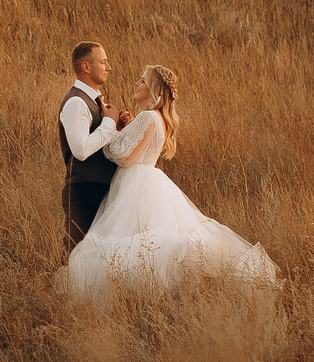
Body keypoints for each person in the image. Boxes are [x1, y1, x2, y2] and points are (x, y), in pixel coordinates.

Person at [59, 64, 279, 294]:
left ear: (154, 88)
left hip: (136, 184)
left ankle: (136, 293)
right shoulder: (157, 118)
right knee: (143, 242)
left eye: (142, 81)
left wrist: (111, 127)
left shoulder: (147, 117)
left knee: (135, 242)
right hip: (148, 181)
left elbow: (125, 157)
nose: (136, 84)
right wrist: (125, 128)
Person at [57, 40, 125, 250]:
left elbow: (98, 143)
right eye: (103, 62)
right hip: (84, 192)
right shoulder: (76, 102)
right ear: (86, 67)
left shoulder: (95, 101)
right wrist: (109, 123)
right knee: (77, 255)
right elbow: (81, 150)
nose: (109, 67)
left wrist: (117, 129)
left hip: (101, 189)